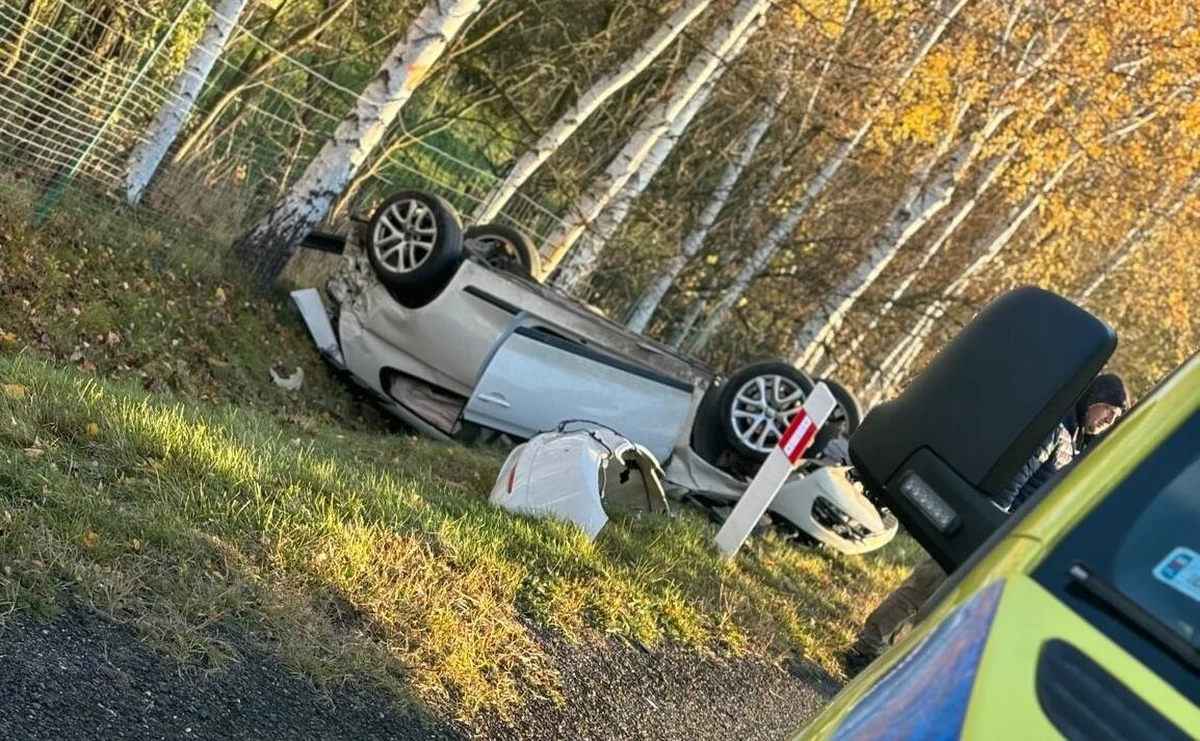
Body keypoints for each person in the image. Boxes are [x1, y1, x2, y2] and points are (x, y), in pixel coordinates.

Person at [840, 373, 1130, 678]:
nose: (1108, 420)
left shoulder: (1075, 443)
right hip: (987, 531)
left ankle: (886, 660)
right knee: (923, 587)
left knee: (944, 605)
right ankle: (864, 650)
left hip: (1002, 536)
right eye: (1107, 410)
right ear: (1093, 401)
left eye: (1114, 417)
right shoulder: (1056, 430)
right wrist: (991, 529)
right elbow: (1014, 481)